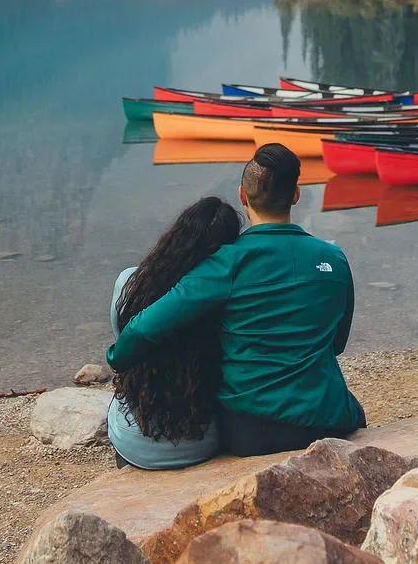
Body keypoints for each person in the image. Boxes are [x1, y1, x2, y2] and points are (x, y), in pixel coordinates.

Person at [107, 142, 364, 456]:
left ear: (243, 196)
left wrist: (116, 358)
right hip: (330, 418)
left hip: (254, 430)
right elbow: (336, 344)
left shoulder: (226, 263)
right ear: (295, 196)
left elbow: (145, 327)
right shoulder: (334, 259)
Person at [106, 195, 244, 469]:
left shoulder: (130, 284)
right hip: (205, 441)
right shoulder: (230, 298)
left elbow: (122, 345)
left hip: (135, 441)